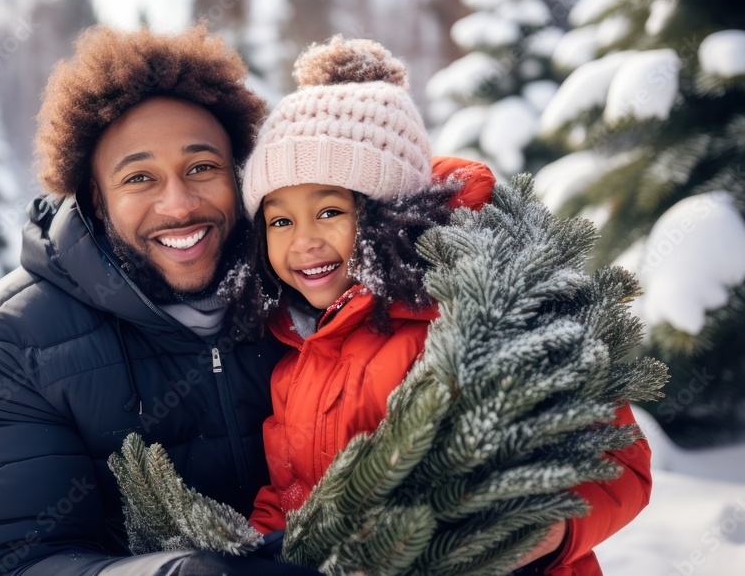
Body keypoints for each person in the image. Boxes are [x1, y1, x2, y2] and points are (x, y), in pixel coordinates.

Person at [233, 36, 652, 576]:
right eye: (280, 221)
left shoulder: (473, 314)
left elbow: (618, 460)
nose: (303, 241)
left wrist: (544, 534)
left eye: (330, 211)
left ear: (388, 215)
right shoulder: (296, 352)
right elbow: (292, 491)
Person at [0, 25, 318, 576]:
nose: (179, 204)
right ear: (94, 195)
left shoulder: (306, 282)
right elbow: (6, 564)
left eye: (202, 167)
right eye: (139, 177)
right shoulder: (8, 344)